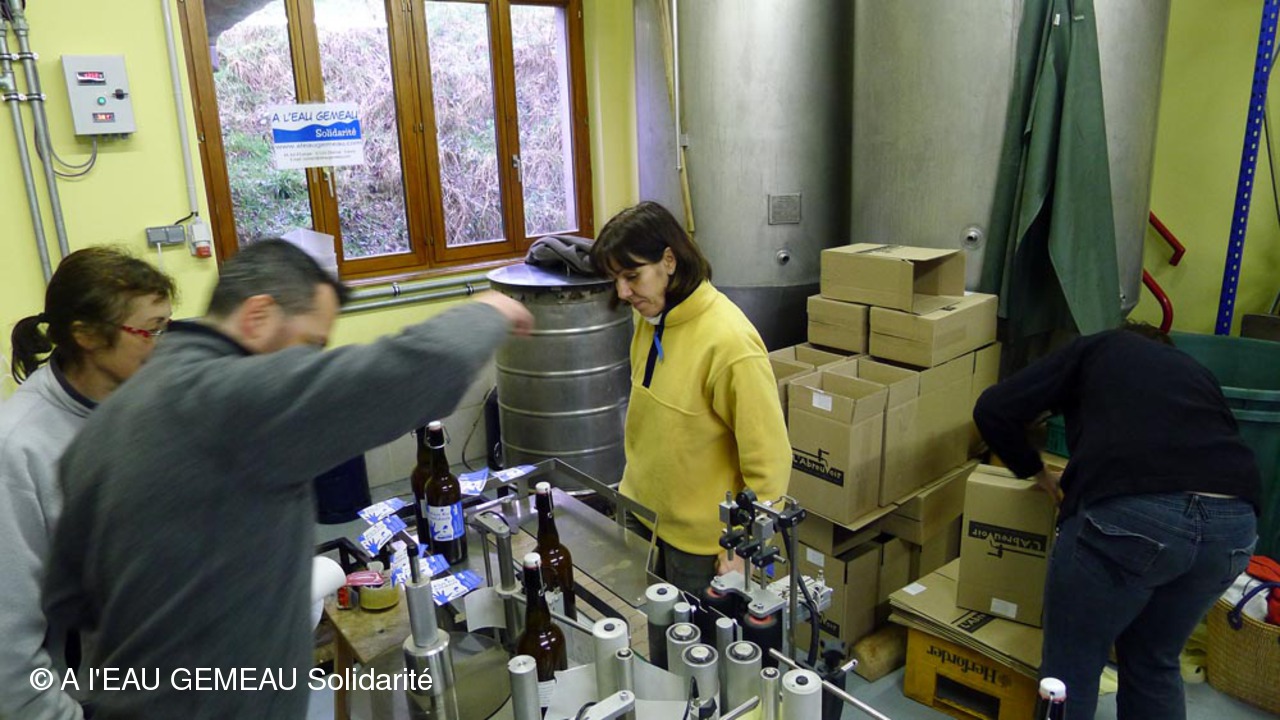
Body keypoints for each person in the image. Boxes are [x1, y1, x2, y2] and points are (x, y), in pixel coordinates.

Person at [43, 239, 532, 719]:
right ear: (257, 315)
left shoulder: (104, 425)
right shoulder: (229, 399)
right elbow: (407, 371)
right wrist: (488, 310)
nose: (311, 365)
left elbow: (70, 601)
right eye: (310, 346)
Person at [973, 322, 1261, 720]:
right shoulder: (1195, 373)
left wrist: (1037, 473)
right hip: (1234, 526)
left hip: (1136, 513)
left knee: (1072, 665)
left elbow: (993, 409)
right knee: (1154, 660)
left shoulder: (1101, 347)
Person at [0, 247, 175, 720]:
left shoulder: (142, 404)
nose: (163, 347)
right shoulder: (18, 449)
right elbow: (8, 654)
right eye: (151, 330)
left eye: (166, 327)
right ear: (87, 335)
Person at [588, 201, 790, 594]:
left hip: (699, 548)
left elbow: (771, 460)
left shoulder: (730, 343)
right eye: (616, 279)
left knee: (692, 635)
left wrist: (744, 545)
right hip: (638, 514)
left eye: (632, 276)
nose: (623, 292)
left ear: (669, 260)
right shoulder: (651, 318)